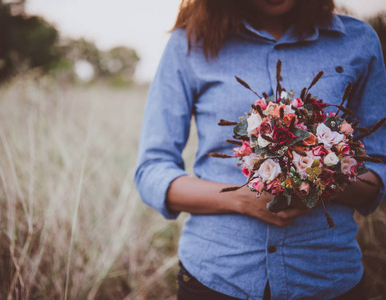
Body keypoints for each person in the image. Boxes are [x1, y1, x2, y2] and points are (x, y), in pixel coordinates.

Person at [134, 0, 386, 299]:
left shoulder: (358, 40)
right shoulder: (189, 43)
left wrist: (316, 179)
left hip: (328, 277)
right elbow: (152, 170)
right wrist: (240, 200)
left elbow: (378, 173)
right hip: (216, 277)